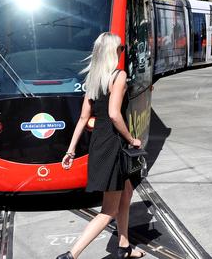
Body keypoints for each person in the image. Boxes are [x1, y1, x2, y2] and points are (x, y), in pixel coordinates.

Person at [57, 33, 145, 259]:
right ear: (113, 52)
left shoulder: (93, 79)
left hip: (98, 143)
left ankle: (124, 247)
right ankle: (70, 255)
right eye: (120, 48)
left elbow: (83, 119)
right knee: (108, 211)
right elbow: (114, 115)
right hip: (113, 144)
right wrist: (131, 139)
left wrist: (70, 150)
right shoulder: (119, 76)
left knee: (126, 191)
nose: (122, 52)